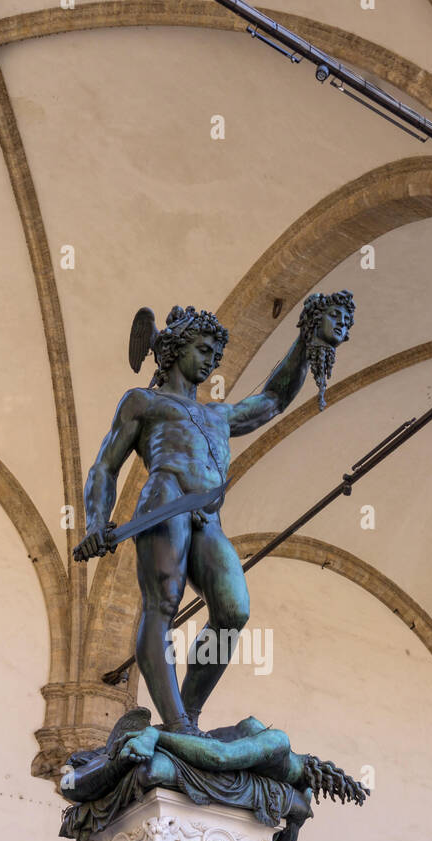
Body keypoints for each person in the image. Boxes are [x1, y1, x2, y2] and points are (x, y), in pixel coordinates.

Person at [73, 295, 353, 733]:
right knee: (162, 605)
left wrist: (307, 336)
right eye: (203, 350)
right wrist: (95, 523)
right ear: (175, 349)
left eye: (216, 355)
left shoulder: (218, 414)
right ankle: (178, 723)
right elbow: (105, 467)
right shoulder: (143, 403)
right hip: (166, 498)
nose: (211, 361)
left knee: (233, 610)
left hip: (208, 516)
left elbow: (274, 399)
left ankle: (187, 715)